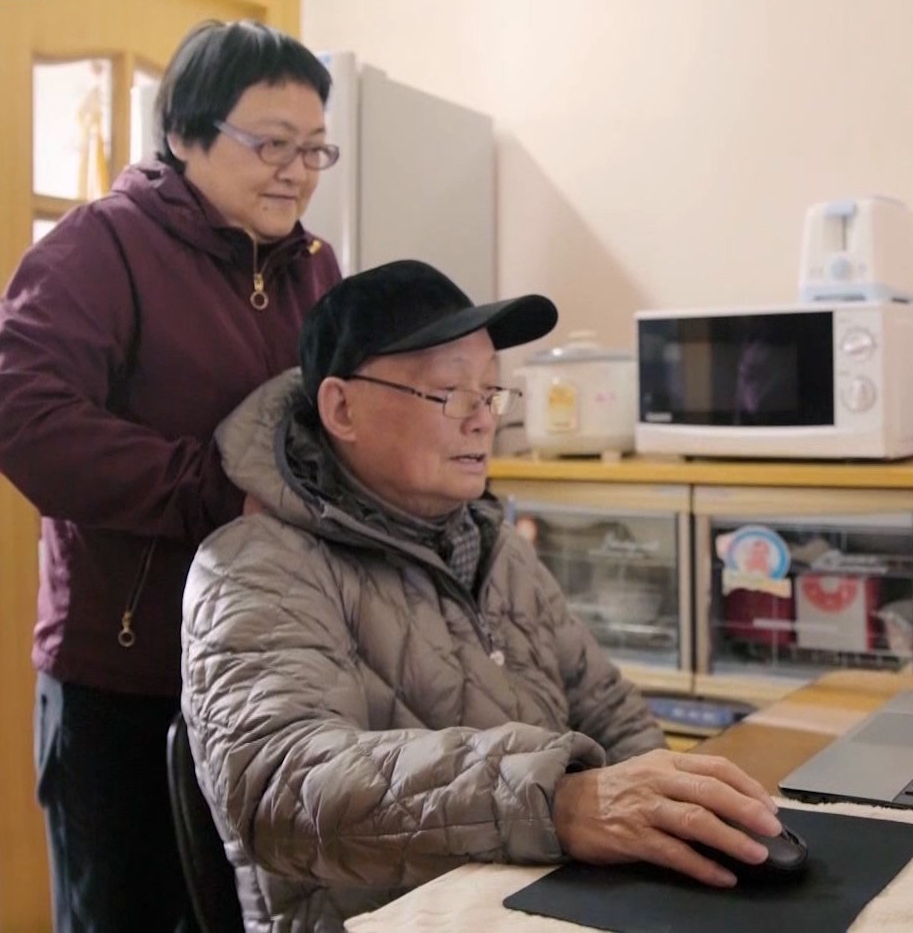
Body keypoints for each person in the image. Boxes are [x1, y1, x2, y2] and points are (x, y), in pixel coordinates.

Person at [182, 260, 786, 929]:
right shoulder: (253, 565)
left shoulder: (494, 545)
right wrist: (557, 801)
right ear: (342, 409)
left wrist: (686, 812)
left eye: (492, 393)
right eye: (449, 393)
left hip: (542, 900)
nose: (481, 422)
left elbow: (611, 713)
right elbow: (280, 785)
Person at [0, 19, 343, 932]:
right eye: (271, 144)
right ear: (184, 134)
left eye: (314, 149)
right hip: (128, 675)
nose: (296, 172)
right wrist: (219, 494)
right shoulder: (100, 248)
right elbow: (22, 416)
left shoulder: (314, 268)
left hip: (269, 666)